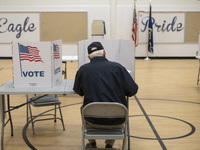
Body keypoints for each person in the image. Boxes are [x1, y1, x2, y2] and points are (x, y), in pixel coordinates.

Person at [73, 41, 138, 149]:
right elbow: (133, 91)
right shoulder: (118, 68)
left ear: (89, 57)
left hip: (92, 120)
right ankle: (109, 144)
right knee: (115, 104)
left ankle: (92, 143)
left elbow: (79, 91)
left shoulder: (83, 70)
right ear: (104, 53)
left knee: (83, 108)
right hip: (117, 120)